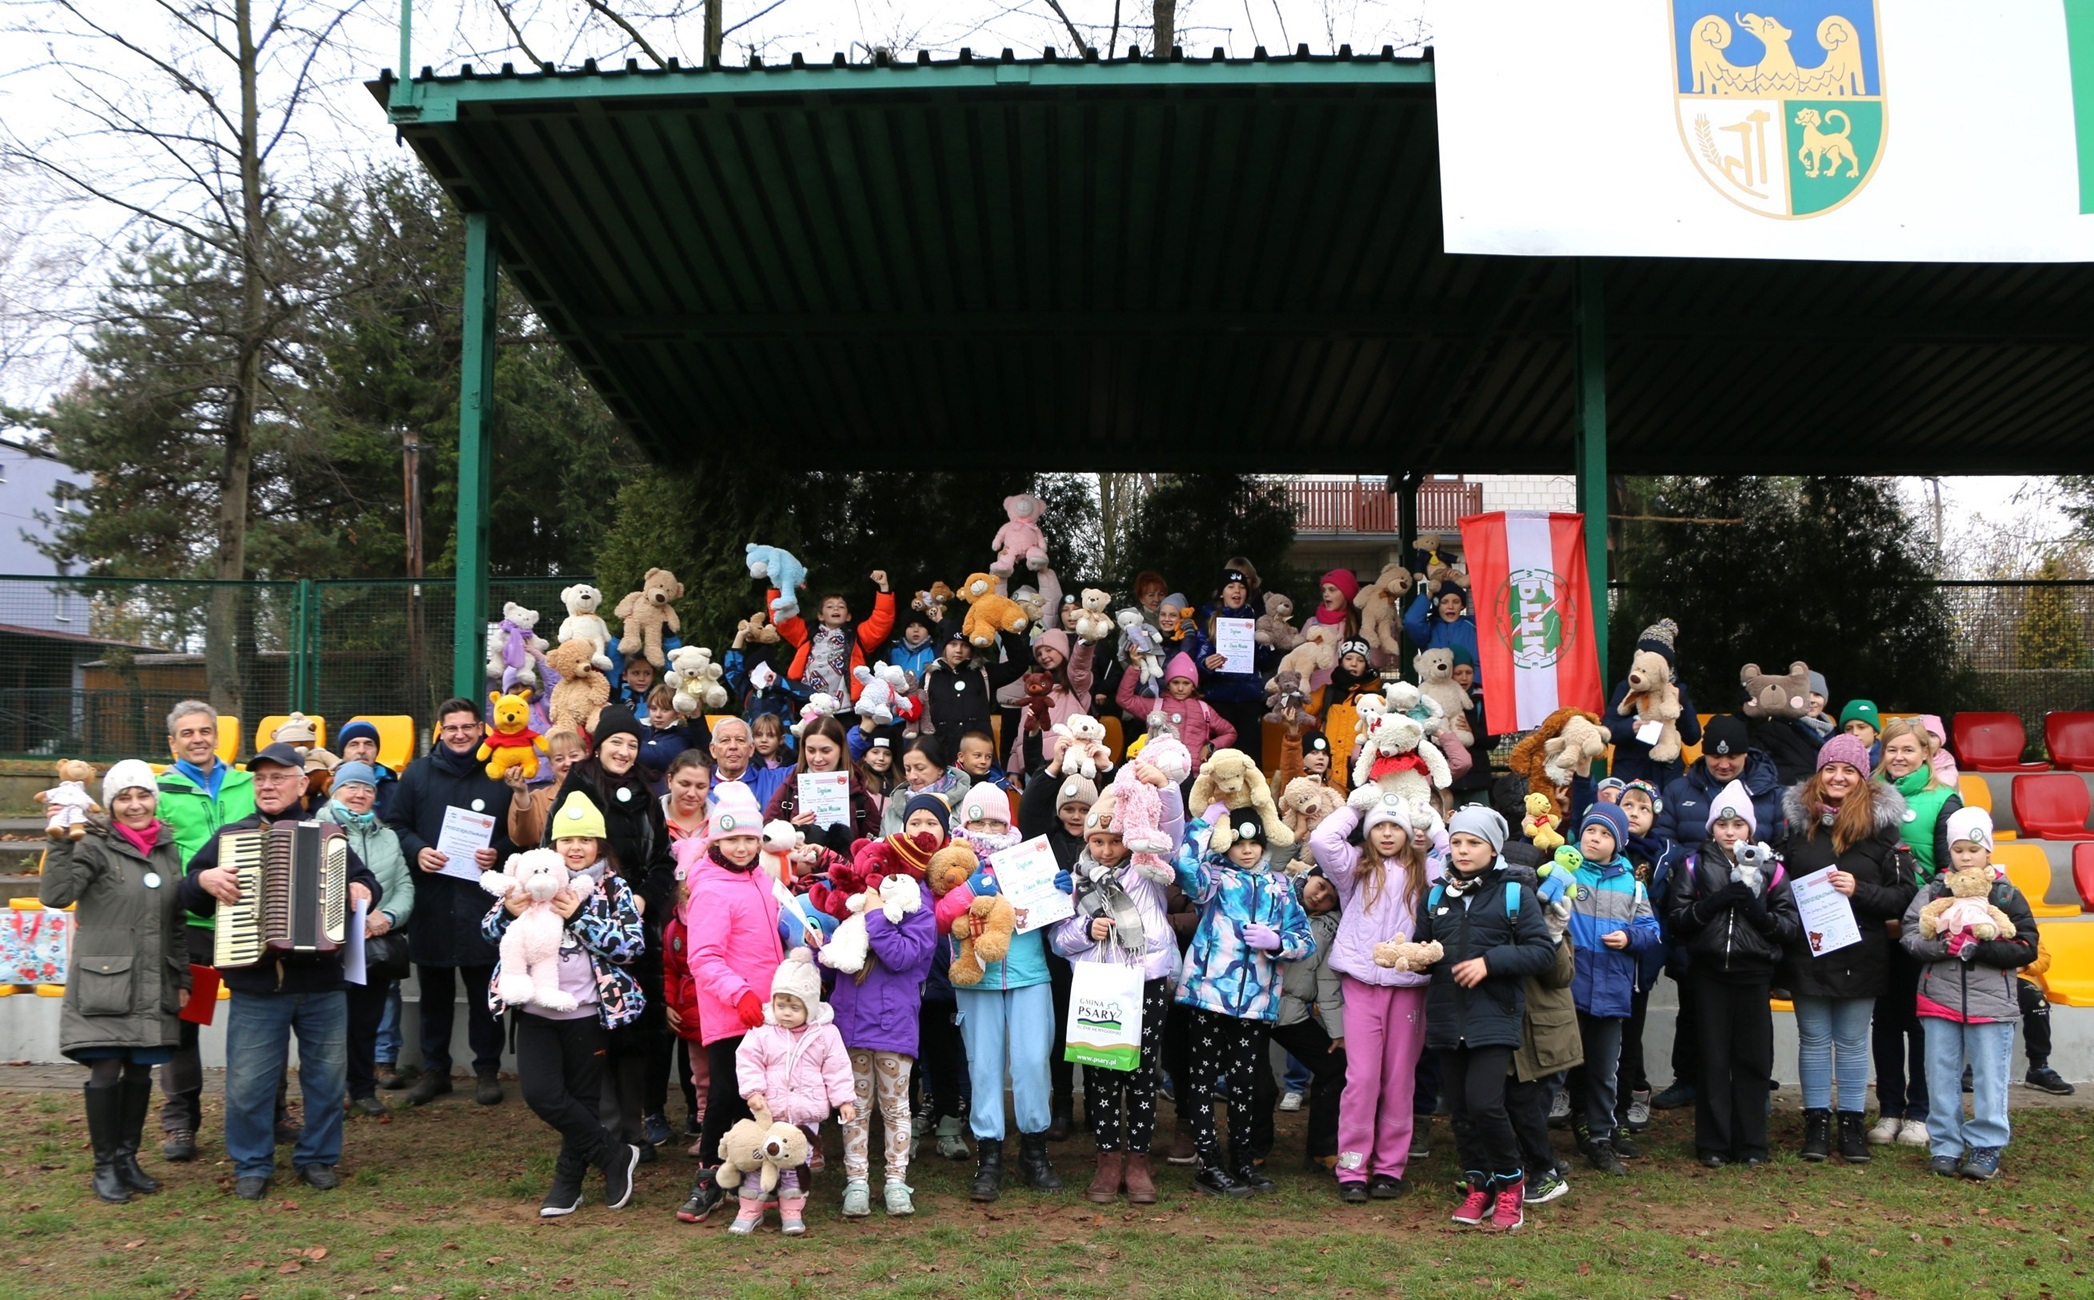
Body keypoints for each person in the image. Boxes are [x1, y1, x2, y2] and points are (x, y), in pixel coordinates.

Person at [179, 744, 380, 1199]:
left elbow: (371, 884)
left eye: (278, 777)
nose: (267, 786)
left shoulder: (328, 835)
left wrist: (358, 888)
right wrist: (203, 881)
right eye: (260, 779)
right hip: (256, 981)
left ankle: (318, 1157)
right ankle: (252, 1163)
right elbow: (188, 893)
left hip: (322, 984)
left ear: (301, 783)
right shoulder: (232, 837)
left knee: (326, 1080)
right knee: (249, 1082)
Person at [40, 760, 187, 1203]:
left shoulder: (167, 848)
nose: (135, 804)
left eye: (143, 795)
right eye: (124, 797)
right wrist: (62, 844)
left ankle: (128, 1158)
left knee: (141, 1070)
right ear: (111, 804)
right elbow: (56, 895)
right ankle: (104, 1166)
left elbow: (175, 922)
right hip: (103, 981)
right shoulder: (94, 844)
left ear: (154, 800)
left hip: (152, 980)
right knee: (105, 1070)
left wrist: (182, 978)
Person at [485, 839, 645, 1217]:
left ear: (600, 846)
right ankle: (615, 1154)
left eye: (585, 840)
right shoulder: (524, 878)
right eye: (567, 840)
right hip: (536, 1011)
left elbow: (631, 947)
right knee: (542, 1094)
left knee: (585, 1100)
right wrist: (507, 913)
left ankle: (568, 1183)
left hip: (588, 1013)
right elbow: (489, 933)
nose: (576, 848)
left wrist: (579, 917)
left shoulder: (612, 887)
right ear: (553, 845)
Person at [1413, 805, 1555, 1232]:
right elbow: (1427, 947)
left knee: (1486, 1103)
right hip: (1445, 1017)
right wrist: (1414, 958)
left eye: (1473, 843)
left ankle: (1512, 1184)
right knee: (1458, 1108)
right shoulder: (1435, 895)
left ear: (1493, 849)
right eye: (1456, 842)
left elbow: (1542, 951)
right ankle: (1480, 1184)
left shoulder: (1515, 894)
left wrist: (1490, 963)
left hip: (1495, 1015)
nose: (1462, 850)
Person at [546, 706, 679, 1156]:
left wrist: (643, 899)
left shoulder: (647, 790)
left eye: (631, 744)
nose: (624, 751)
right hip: (587, 928)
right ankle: (601, 1134)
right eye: (616, 742)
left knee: (636, 1031)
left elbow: (664, 860)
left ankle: (634, 1130)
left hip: (637, 928)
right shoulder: (578, 788)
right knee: (596, 1033)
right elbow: (557, 852)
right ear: (598, 745)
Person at [1050, 765, 1185, 1205]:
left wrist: (1165, 788)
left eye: (1115, 840)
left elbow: (1171, 829)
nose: (1107, 850)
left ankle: (1139, 1161)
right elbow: (1059, 939)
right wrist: (1086, 931)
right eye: (1098, 841)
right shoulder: (1074, 883)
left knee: (1143, 1072)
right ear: (1086, 842)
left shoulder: (1148, 869)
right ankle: (1107, 1160)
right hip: (1096, 985)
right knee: (1102, 1072)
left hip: (1143, 983)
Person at [1781, 733, 1918, 1165]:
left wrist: (1860, 890)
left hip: (1862, 950)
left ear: (1862, 777)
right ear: (1819, 774)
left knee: (1854, 1041)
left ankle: (1853, 1123)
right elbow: (1779, 886)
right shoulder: (1796, 825)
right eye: (1831, 769)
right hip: (1810, 948)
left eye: (1848, 770)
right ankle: (1817, 1122)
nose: (1838, 777)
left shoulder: (1884, 832)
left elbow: (1902, 896)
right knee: (1815, 1039)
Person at [1308, 786, 1441, 1203]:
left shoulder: (1426, 872)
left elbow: (1460, 859)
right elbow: (1321, 841)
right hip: (1362, 985)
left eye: (1395, 826)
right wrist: (1354, 807)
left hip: (1408, 989)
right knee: (1362, 1079)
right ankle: (1352, 1167)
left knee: (1398, 1080)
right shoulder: (1355, 867)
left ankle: (1388, 1168)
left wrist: (1431, 822)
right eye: (1378, 826)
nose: (1387, 834)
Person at [1171, 805, 1311, 1197]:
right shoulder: (1213, 880)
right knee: (1202, 1080)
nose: (1247, 851)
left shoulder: (1280, 887)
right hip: (1208, 997)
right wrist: (1206, 822)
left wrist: (1279, 942)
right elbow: (1183, 865)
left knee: (1245, 1083)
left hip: (1254, 1003)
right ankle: (1208, 1164)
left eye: (1254, 843)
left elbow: (1305, 939)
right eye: (1238, 843)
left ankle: (1242, 1161)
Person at [1649, 714, 1786, 1113]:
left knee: (1752, 1014)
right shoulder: (1679, 789)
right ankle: (1688, 1078)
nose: (1723, 764)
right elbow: (1663, 840)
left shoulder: (1771, 793)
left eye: (1732, 757)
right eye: (1714, 757)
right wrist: (1704, 872)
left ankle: (1752, 1083)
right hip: (1697, 907)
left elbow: (1780, 844)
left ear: (1747, 754)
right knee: (1694, 1000)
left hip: (1753, 922)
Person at [385, 697, 518, 1108]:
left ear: (481, 729)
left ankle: (486, 1071)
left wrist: (499, 850)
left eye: (468, 727)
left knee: (485, 994)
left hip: (482, 902)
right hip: (433, 900)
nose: (460, 734)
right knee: (434, 995)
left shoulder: (498, 775)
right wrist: (418, 849)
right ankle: (435, 1071)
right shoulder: (418, 774)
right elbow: (395, 824)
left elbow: (522, 832)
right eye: (452, 728)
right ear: (440, 731)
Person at [1901, 808, 2040, 1181]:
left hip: (1992, 1004)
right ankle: (1945, 1144)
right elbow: (1911, 935)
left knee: (1990, 1077)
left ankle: (1987, 1144)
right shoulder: (1933, 891)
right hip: (1938, 998)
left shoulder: (2007, 894)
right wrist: (1941, 946)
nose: (1965, 857)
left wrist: (1980, 948)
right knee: (1940, 1074)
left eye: (1973, 849)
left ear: (1988, 852)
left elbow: (2027, 946)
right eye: (1958, 849)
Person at [1667, 781, 1798, 1168]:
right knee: (1712, 1058)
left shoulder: (1772, 869)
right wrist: (1716, 903)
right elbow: (1678, 920)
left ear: (1750, 829)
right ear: (1712, 828)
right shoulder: (1694, 865)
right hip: (1709, 974)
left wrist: (1757, 913)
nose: (1729, 832)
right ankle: (1712, 1143)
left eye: (1738, 825)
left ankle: (1751, 1143)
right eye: (1722, 825)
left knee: (1752, 1060)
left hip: (1754, 975)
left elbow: (1789, 926)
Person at [674, 783, 786, 1223]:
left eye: (749, 839)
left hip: (767, 1011)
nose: (741, 847)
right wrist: (739, 994)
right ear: (715, 842)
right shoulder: (712, 889)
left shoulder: (761, 878)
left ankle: (751, 1173)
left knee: (758, 1098)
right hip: (732, 1012)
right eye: (731, 839)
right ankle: (708, 1177)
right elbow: (703, 957)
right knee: (725, 1094)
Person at [946, 786, 1061, 1202]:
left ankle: (1035, 1151)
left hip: (1029, 972)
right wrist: (970, 888)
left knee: (1032, 1061)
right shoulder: (955, 859)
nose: (988, 830)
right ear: (966, 823)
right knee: (984, 1065)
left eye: (997, 822)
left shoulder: (1028, 858)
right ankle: (988, 1156)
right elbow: (939, 913)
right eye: (980, 821)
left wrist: (1061, 892)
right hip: (976, 976)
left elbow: (1051, 916)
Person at [152, 701, 256, 1162]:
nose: (198, 739)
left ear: (218, 736)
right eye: (188, 733)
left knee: (260, 1019)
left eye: (206, 731)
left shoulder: (247, 784)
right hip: (191, 924)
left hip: (247, 920)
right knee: (185, 1025)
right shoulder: (157, 793)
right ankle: (180, 1124)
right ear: (172, 742)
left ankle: (270, 1114)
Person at [828, 797, 940, 1219]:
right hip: (851, 1027)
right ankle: (856, 1180)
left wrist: (875, 914)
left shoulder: (920, 916)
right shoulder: (853, 912)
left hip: (894, 1029)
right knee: (854, 1110)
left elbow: (897, 956)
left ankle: (896, 1180)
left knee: (896, 1109)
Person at [1869, 716, 1963, 1148]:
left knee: (1921, 1021)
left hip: (1920, 928)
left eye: (1909, 749)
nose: (1900, 757)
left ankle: (1920, 1113)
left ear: (1927, 753)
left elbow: (1952, 870)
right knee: (1885, 1021)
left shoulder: (1944, 801)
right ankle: (1888, 1110)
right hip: (1875, 925)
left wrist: (1919, 917)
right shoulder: (1865, 794)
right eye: (1892, 750)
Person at [1561, 803, 1661, 1178]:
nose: (1595, 839)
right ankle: (1535, 1137)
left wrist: (1629, 936)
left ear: (1618, 842)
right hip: (1569, 988)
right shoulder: (1565, 872)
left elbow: (1652, 931)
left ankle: (1601, 1137)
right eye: (1590, 831)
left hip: (1612, 991)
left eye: (1604, 834)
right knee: (1556, 1070)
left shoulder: (1633, 884)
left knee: (1605, 1071)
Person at [728, 949, 857, 1235]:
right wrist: (753, 1091)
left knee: (795, 1165)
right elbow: (748, 1060)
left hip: (805, 1115)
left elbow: (836, 1068)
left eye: (794, 1007)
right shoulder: (762, 1031)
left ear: (810, 1007)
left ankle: (791, 1210)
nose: (786, 1013)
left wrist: (844, 1100)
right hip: (768, 1113)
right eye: (781, 1004)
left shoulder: (825, 1034)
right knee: (757, 1161)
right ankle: (750, 1209)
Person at [313, 761, 415, 1119]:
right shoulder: (317, 829)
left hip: (374, 943)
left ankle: (362, 1088)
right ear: (334, 791)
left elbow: (404, 886)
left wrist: (386, 918)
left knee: (366, 1020)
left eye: (367, 789)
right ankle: (331, 1091)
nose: (359, 795)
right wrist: (352, 915)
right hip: (331, 943)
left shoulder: (387, 835)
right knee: (330, 1023)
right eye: (351, 787)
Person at [1613, 780, 1679, 1135]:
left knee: (1630, 1030)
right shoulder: (1607, 847)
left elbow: (1666, 912)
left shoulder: (1664, 855)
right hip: (1604, 957)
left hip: (1641, 961)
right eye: (1628, 806)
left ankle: (1630, 1098)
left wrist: (1657, 954)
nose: (1635, 813)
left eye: (1642, 808)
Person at [1271, 873, 1348, 1175]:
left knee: (1334, 1065)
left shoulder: (1332, 925)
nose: (1320, 896)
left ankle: (1321, 1149)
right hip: (1252, 1004)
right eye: (1320, 885)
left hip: (1290, 1010)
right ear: (1310, 877)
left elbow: (1327, 978)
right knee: (1259, 1085)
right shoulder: (1277, 895)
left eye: (1330, 894)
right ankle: (1254, 1151)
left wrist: (1336, 1031)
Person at [773, 570, 896, 708]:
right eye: (830, 606)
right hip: (809, 705)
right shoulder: (806, 633)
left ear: (848, 616)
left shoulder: (857, 635)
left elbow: (881, 621)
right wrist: (775, 586)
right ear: (820, 616)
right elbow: (782, 619)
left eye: (841, 606)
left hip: (845, 708)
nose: (836, 608)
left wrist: (884, 588)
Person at [1601, 620, 1702, 786]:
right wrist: (1631, 727)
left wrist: (1680, 704)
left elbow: (1693, 737)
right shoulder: (1627, 687)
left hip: (1667, 774)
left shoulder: (1677, 690)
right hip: (1631, 771)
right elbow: (1608, 729)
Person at [764, 715, 881, 856]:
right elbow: (766, 836)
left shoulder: (857, 789)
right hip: (799, 871)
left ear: (840, 750)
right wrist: (790, 828)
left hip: (843, 873)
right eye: (811, 750)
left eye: (826, 751)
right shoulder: (789, 788)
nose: (817, 758)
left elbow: (873, 842)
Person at [1197, 568, 1277, 764]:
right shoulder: (1209, 620)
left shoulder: (1256, 619)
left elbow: (1266, 663)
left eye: (1241, 587)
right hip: (1219, 701)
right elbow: (1198, 663)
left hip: (1249, 701)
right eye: (1231, 586)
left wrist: (1266, 643)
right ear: (1221, 592)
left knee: (1249, 760)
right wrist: (1205, 664)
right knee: (1221, 759)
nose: (1237, 591)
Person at [1120, 652, 1234, 764]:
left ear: (1194, 686)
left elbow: (1230, 733)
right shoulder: (1156, 706)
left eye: (1186, 683)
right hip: (1159, 773)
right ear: (1168, 684)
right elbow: (1124, 699)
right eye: (1175, 682)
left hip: (1195, 774)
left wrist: (1210, 746)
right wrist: (1135, 667)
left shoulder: (1204, 709)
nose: (1180, 688)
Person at [502, 724, 590, 850]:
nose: (568, 762)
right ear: (551, 765)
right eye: (559, 759)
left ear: (586, 756)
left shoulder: (600, 792)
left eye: (574, 756)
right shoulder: (538, 798)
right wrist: (521, 793)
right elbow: (522, 839)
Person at [880, 736, 970, 838]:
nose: (912, 776)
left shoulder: (967, 802)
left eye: (920, 768)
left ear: (940, 768)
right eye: (908, 769)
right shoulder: (893, 809)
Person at [706, 716, 789, 812]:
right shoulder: (699, 785)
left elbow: (806, 764)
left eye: (740, 740)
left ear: (751, 749)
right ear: (713, 750)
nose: (733, 746)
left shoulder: (773, 780)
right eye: (725, 740)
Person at [335, 719, 401, 816]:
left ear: (376, 751)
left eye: (368, 744)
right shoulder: (326, 788)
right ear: (343, 752)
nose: (362, 750)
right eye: (354, 745)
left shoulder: (395, 792)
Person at [1401, 580, 1478, 664]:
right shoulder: (1429, 628)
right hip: (1436, 677)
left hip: (1470, 677)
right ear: (1436, 604)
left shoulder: (1472, 624)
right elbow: (1411, 621)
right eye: (1444, 602)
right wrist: (1430, 594)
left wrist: (1473, 583)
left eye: (1456, 602)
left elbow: (1492, 611)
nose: (1450, 606)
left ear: (1462, 605)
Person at [660, 751, 711, 843]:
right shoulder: (648, 818)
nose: (691, 793)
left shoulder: (721, 820)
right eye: (685, 784)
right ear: (670, 781)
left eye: (701, 787)